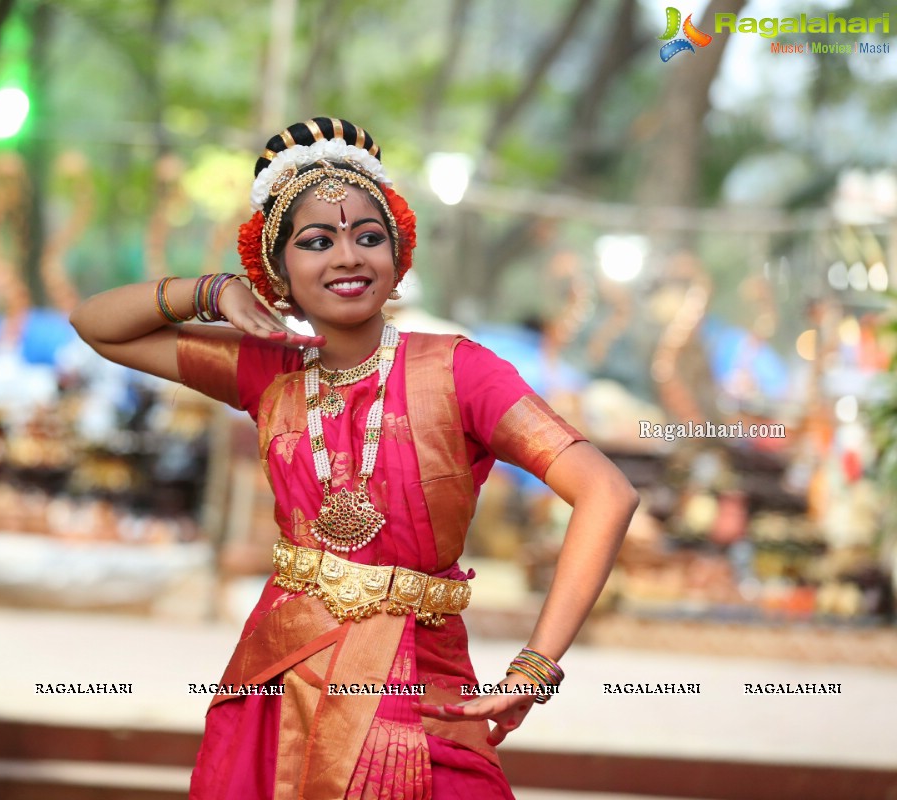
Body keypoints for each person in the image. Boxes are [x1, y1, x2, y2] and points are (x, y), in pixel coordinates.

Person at [70, 117, 638, 799]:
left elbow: (606, 493)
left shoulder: (461, 372)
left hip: (422, 691)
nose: (347, 256)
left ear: (399, 261)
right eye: (316, 242)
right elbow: (96, 324)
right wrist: (214, 292)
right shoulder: (267, 371)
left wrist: (533, 668)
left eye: (369, 237)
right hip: (282, 678)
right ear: (277, 272)